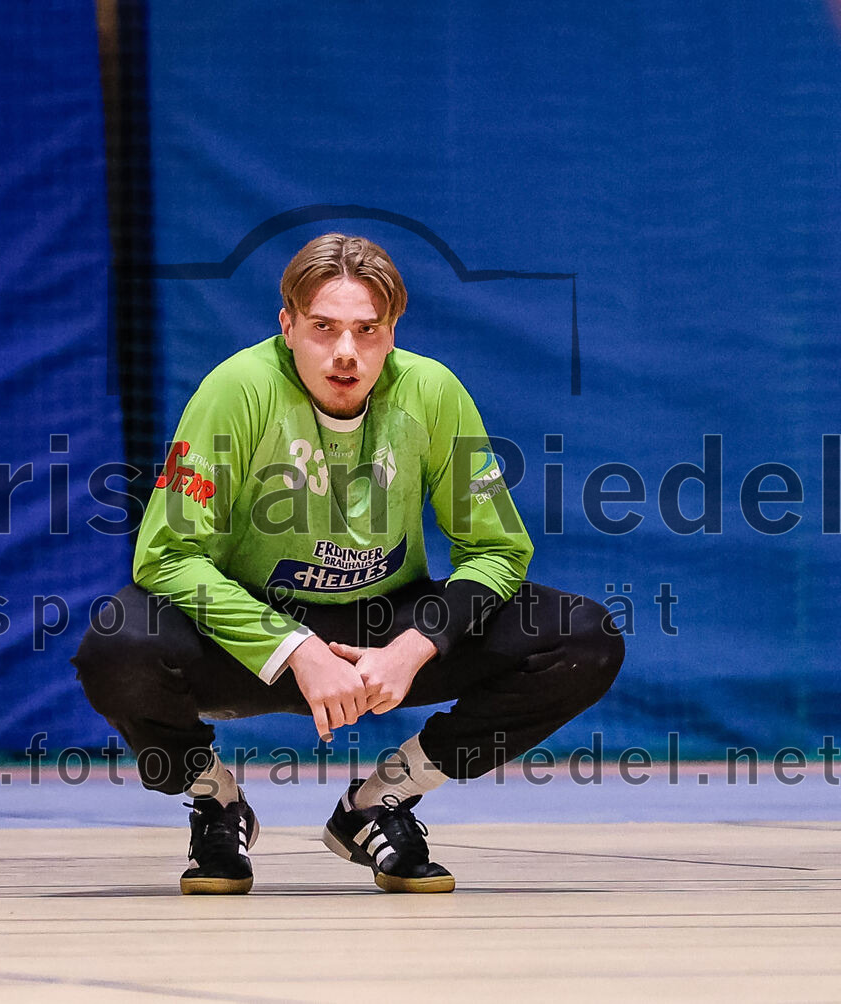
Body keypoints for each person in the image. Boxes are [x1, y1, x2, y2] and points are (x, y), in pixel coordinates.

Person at [74, 233, 623, 895]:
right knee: (117, 642)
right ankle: (214, 800)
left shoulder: (431, 393)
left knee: (583, 636)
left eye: (367, 330)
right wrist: (296, 648)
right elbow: (166, 554)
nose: (344, 352)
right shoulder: (238, 389)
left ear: (392, 333)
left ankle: (379, 804)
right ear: (288, 326)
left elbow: (498, 550)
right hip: (253, 635)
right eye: (323, 328)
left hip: (384, 632)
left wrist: (414, 646)